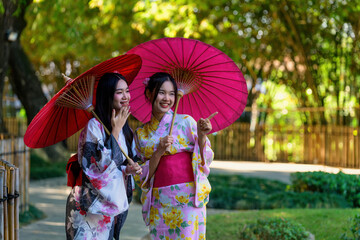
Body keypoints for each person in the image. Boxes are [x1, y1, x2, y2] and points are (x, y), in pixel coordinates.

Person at [134, 72, 215, 239]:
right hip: (160, 197)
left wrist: (201, 136)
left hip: (187, 196)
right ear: (149, 94)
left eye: (171, 94)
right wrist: (159, 151)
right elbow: (141, 174)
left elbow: (205, 158)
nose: (167, 98)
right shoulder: (141, 133)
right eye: (161, 92)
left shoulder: (186, 121)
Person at [65, 72, 141, 240]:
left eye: (127, 91)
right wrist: (114, 132)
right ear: (107, 95)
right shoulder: (94, 126)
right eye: (119, 92)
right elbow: (96, 168)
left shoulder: (127, 129)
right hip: (88, 203)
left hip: (110, 205)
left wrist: (129, 169)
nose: (125, 96)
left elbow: (120, 165)